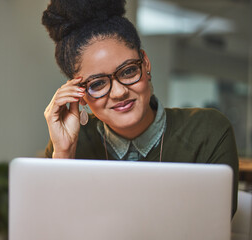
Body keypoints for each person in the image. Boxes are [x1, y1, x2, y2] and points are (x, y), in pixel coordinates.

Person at [41, 0, 239, 216]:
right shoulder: (68, 146)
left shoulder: (208, 132)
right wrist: (64, 152)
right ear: (80, 95)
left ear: (145, 63)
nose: (119, 93)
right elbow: (53, 226)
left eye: (127, 71)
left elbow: (212, 226)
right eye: (97, 84)